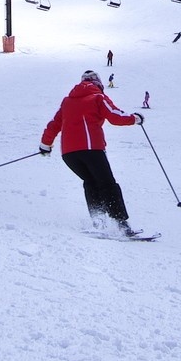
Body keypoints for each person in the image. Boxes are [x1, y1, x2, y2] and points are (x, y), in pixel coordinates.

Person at [40, 70, 145, 236]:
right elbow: (115, 116)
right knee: (107, 184)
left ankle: (99, 221)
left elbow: (54, 124)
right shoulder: (98, 97)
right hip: (91, 149)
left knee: (90, 182)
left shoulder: (67, 101)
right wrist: (135, 118)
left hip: (69, 154)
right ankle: (120, 225)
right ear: (99, 84)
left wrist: (45, 145)